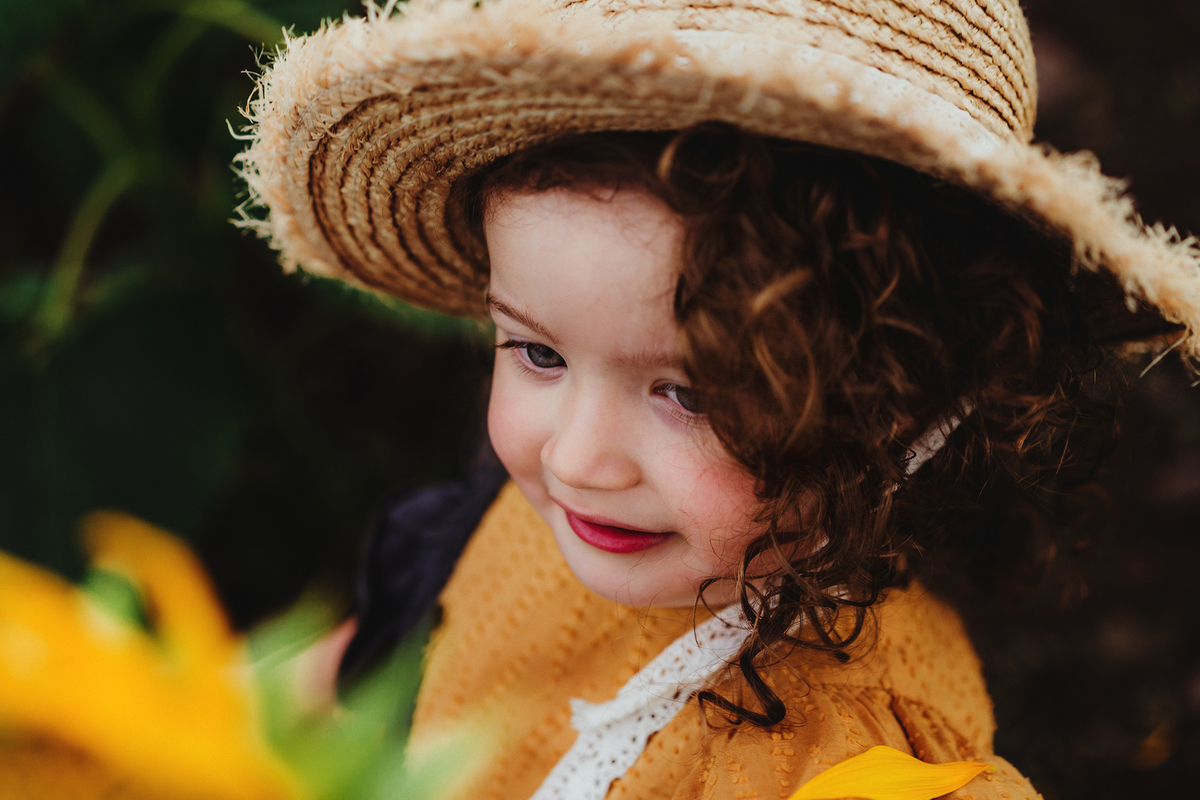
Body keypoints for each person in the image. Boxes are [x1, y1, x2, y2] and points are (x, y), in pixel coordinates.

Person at [235, 1, 1200, 798]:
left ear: (908, 401)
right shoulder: (535, 520)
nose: (575, 458)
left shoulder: (860, 761)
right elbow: (381, 659)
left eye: (691, 395)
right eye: (537, 352)